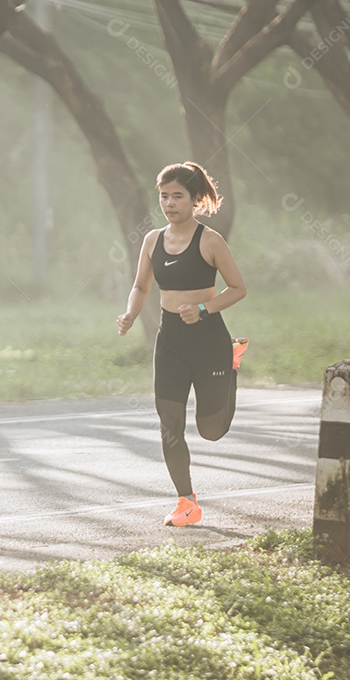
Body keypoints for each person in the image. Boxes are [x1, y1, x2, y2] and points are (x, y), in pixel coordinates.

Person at [116, 161, 246, 527]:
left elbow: (238, 288)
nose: (170, 204)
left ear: (194, 200)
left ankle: (233, 364)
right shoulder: (152, 240)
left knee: (211, 431)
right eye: (164, 196)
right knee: (169, 424)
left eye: (178, 196)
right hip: (170, 341)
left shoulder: (210, 241)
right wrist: (129, 314)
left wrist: (204, 308)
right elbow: (141, 286)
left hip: (209, 340)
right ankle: (186, 502)